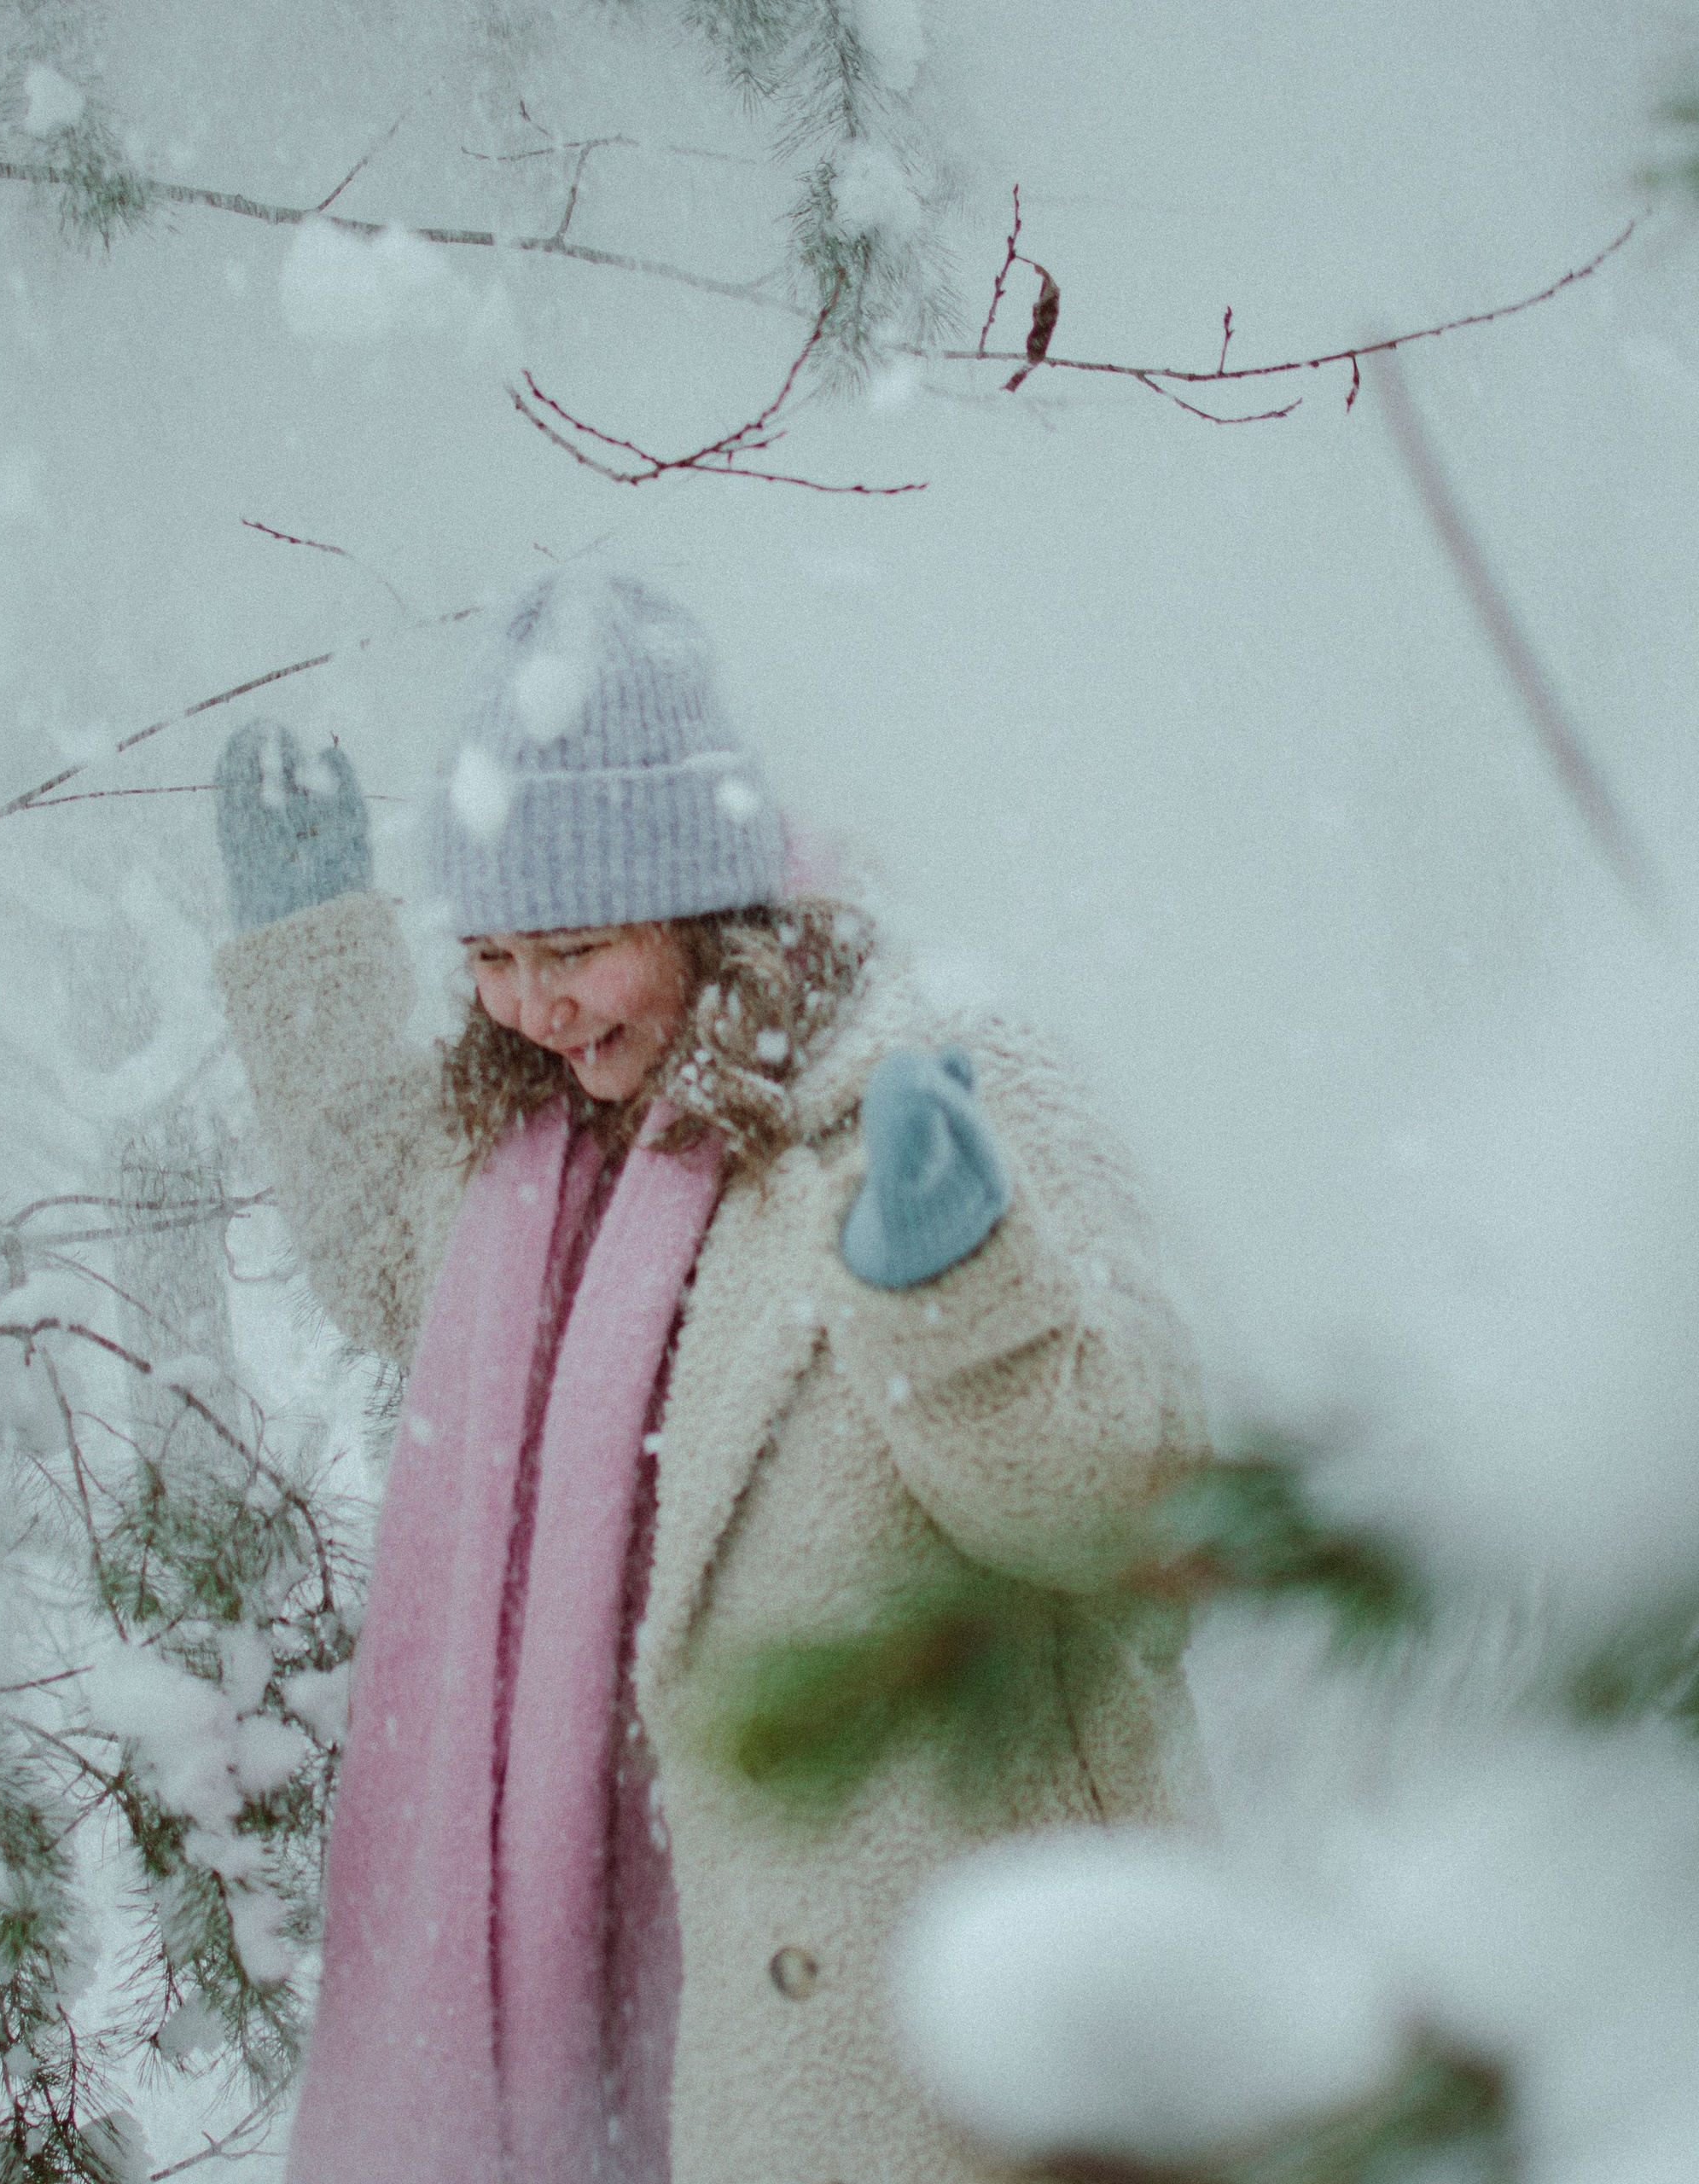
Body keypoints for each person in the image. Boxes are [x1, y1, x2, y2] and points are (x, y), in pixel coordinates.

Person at [211, 566, 1207, 2184]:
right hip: (623, 1965)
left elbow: (1133, 1509)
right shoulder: (523, 1144)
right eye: (492, 953)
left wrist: (959, 1305)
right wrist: (315, 969)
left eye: (579, 947)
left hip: (927, 2009)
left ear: (700, 905)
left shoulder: (929, 1082)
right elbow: (375, 1246)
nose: (532, 1007)